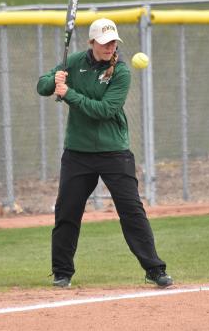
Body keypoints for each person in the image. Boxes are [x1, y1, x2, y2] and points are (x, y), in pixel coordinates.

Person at [37, 18, 173, 288]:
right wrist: (55, 79)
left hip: (114, 152)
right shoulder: (74, 61)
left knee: (132, 211)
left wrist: (69, 94)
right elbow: (42, 87)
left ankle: (155, 269)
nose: (109, 47)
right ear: (92, 43)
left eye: (113, 42)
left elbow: (105, 110)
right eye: (104, 42)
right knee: (67, 211)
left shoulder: (121, 71)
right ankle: (62, 272)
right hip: (78, 152)